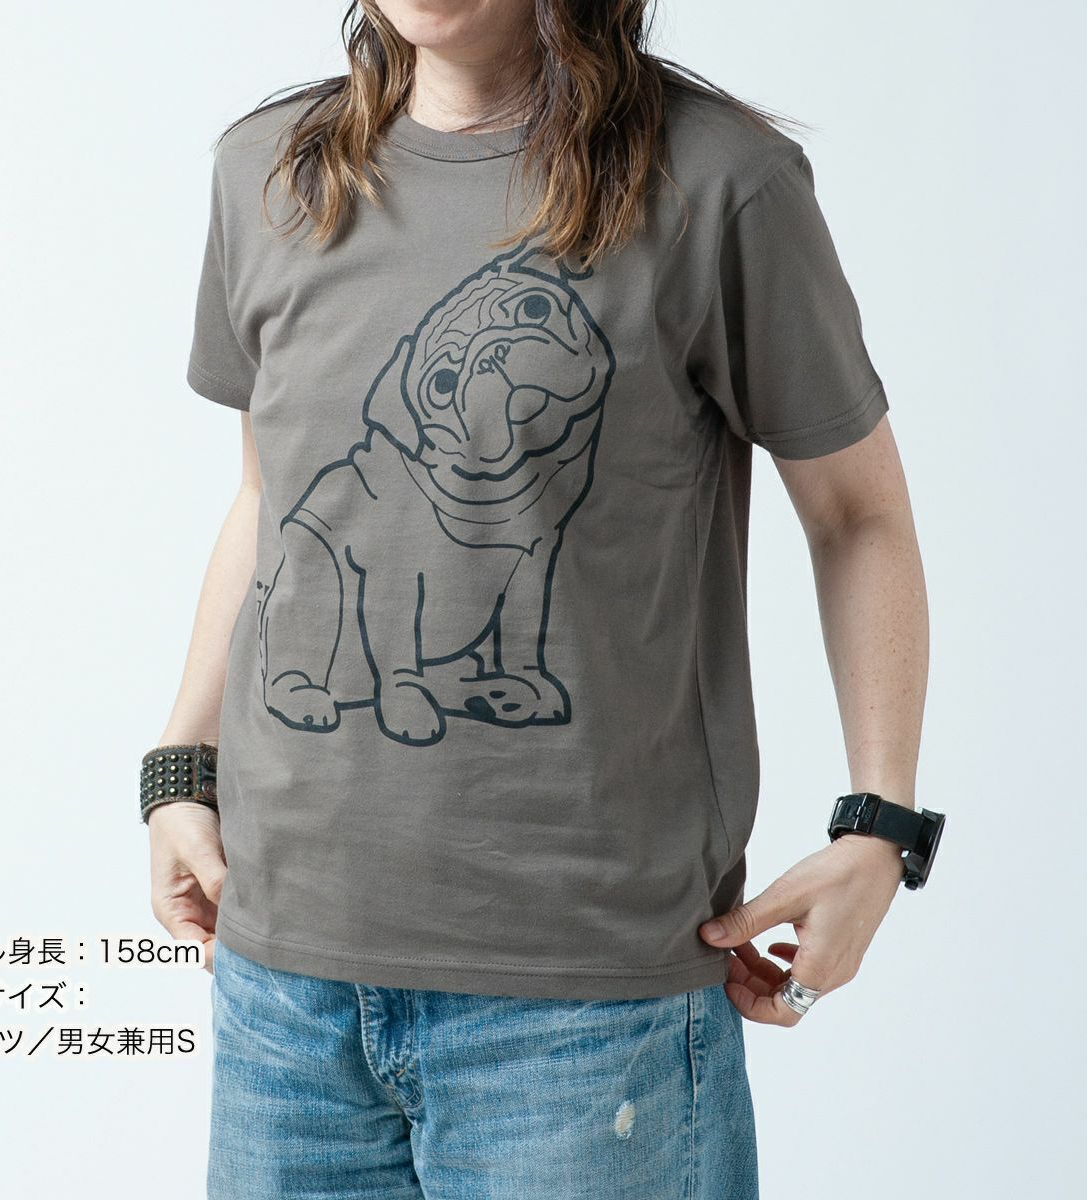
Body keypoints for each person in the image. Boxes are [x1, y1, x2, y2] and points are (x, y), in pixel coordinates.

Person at [143, 2, 932, 1197]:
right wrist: (179, 766)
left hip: (586, 1007)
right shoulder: (271, 172)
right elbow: (271, 499)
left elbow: (856, 514)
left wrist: (882, 826)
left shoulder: (721, 182)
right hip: (282, 987)